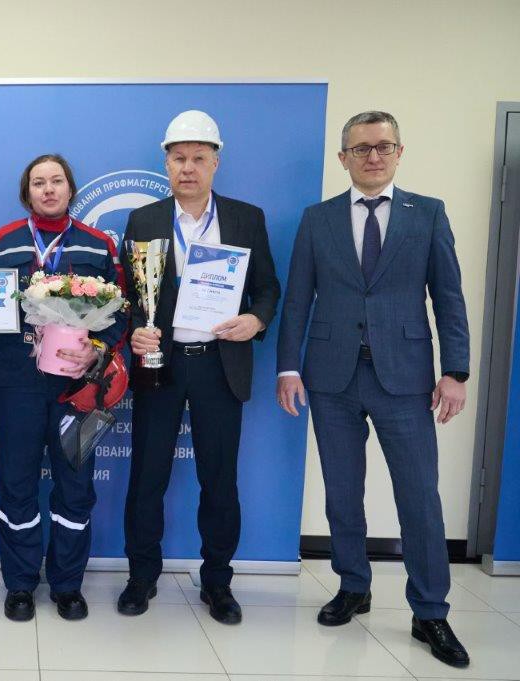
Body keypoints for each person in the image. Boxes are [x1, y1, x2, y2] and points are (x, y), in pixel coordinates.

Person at [276, 111, 470, 667]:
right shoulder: (318, 219)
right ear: (344, 158)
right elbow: (298, 299)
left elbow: (449, 296)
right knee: (342, 491)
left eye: (383, 146)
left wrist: (456, 371)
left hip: (405, 378)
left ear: (399, 152)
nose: (373, 156)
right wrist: (288, 367)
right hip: (331, 376)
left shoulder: (427, 214)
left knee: (420, 496)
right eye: (361, 148)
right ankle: (353, 585)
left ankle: (430, 610)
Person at [0, 154, 127, 622]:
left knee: (76, 485)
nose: (48, 189)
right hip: (15, 385)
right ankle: (19, 584)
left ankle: (67, 586)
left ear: (70, 189)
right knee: (16, 483)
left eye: (57, 181)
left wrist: (98, 350)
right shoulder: (2, 241)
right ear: (26, 192)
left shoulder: (98, 244)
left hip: (79, 388)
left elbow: (122, 310)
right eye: (39, 182)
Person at [118, 110, 280, 624]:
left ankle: (218, 582)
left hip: (219, 364)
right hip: (159, 364)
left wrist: (256, 319)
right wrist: (134, 330)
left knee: (220, 478)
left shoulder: (246, 218)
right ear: (166, 163)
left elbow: (268, 289)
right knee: (147, 476)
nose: (188, 168)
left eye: (198, 158)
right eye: (178, 159)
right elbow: (128, 297)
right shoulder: (144, 220)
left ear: (216, 163)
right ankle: (141, 576)